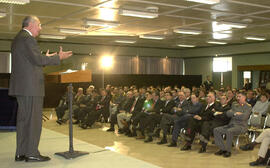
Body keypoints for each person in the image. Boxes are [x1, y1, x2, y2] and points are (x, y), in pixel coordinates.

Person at [9, 16, 72, 162]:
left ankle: (21, 152)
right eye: (39, 25)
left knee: (24, 120)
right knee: (33, 121)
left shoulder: (18, 38)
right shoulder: (28, 39)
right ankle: (32, 153)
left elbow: (31, 60)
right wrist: (58, 57)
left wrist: (44, 57)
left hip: (22, 87)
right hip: (31, 88)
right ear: (31, 25)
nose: (41, 28)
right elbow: (37, 60)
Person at [214, 92, 252, 158]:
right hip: (231, 124)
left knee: (229, 131)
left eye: (239, 97)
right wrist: (235, 113)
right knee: (216, 130)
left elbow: (244, 117)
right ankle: (223, 149)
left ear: (244, 97)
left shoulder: (248, 107)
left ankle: (228, 151)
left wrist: (233, 114)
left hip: (241, 126)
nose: (238, 98)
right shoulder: (234, 104)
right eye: (237, 97)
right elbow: (228, 113)